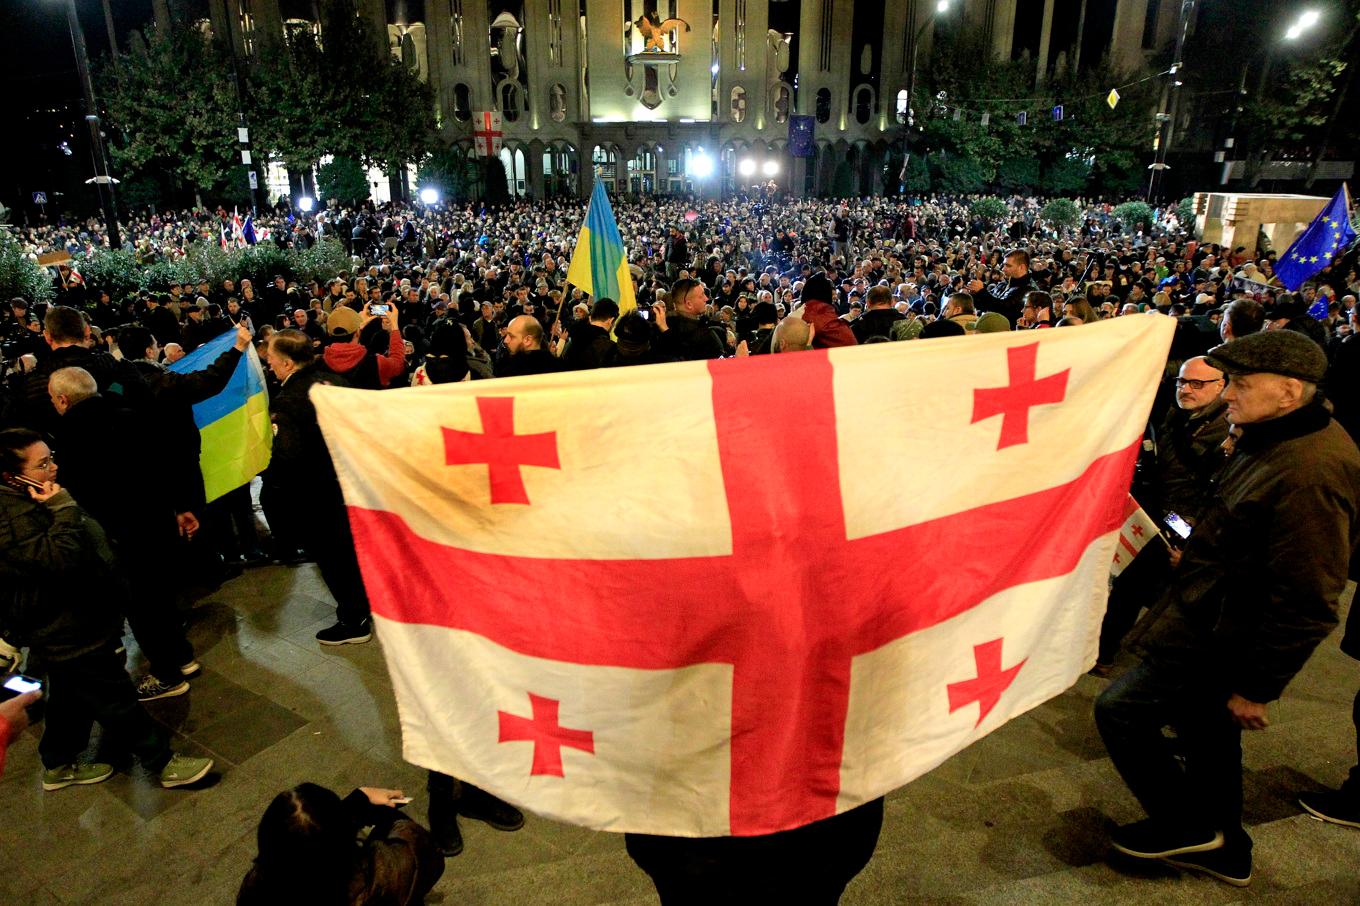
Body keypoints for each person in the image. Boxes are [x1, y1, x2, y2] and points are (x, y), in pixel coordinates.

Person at [1094, 330, 1360, 887]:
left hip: (1219, 629)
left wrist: (1259, 685)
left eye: (1240, 383)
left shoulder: (1309, 469)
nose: (1229, 394)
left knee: (1120, 710)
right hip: (1209, 609)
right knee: (1205, 730)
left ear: (1290, 390)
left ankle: (1187, 823)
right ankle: (1224, 842)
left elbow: (1309, 593)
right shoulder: (1272, 437)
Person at [0, 428, 214, 791]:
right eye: (42, 464)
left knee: (69, 696)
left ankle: (57, 763)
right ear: (11, 475)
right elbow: (59, 558)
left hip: (72, 618)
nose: (53, 468)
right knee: (117, 699)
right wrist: (63, 508)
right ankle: (160, 761)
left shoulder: (29, 497)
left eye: (51, 458)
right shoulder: (13, 516)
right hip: (65, 625)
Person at [47, 366, 203, 700]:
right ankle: (182, 657)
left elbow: (81, 497)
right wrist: (180, 508)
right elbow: (164, 466)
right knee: (162, 596)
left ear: (62, 399)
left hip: (122, 536)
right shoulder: (131, 416)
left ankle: (167, 675)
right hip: (158, 522)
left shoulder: (71, 437)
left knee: (142, 607)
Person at [1095, 356, 1230, 670]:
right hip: (1155, 513)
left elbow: (1218, 493)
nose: (1186, 389)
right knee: (1131, 585)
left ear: (1220, 385)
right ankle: (1106, 651)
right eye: (1182, 382)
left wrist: (1192, 540)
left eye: (1198, 383)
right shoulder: (1177, 415)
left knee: (1169, 594)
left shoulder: (1224, 431)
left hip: (1179, 523)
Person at [265, 330, 372, 645]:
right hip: (350, 483)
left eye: (271, 359)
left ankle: (354, 621)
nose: (268, 364)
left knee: (332, 558)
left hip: (317, 493)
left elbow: (289, 457)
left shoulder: (288, 402)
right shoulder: (334, 382)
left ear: (286, 363)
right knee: (350, 552)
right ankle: (364, 603)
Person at [237, 782, 445, 904]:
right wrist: (385, 815)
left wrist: (359, 799)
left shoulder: (256, 887)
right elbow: (425, 855)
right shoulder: (383, 875)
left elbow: (310, 843)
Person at [322, 305, 407, 389]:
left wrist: (359, 327)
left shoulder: (318, 363)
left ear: (329, 333)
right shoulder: (376, 363)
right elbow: (398, 364)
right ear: (358, 333)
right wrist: (394, 326)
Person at [968, 249, 1034, 326]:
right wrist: (975, 293)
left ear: (1021, 267)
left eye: (1008, 266)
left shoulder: (1029, 290)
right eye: (1004, 265)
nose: (1003, 269)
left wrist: (981, 291)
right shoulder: (1003, 285)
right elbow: (985, 305)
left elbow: (1004, 309)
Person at [494, 315, 564, 377]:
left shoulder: (509, 371)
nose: (506, 340)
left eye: (511, 336)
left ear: (528, 340)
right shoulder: (560, 368)